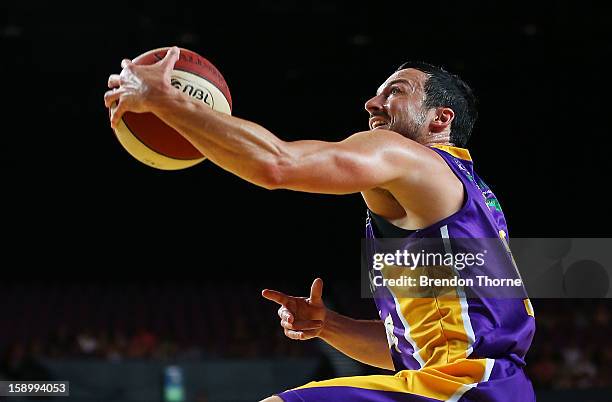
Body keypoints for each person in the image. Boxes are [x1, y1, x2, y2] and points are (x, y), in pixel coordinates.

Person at [104, 47, 536, 401]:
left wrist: (167, 100)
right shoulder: (467, 203)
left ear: (440, 119)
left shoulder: (405, 155)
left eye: (395, 92)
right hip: (493, 390)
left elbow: (277, 164)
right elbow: (418, 351)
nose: (371, 103)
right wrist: (328, 325)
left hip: (468, 389)